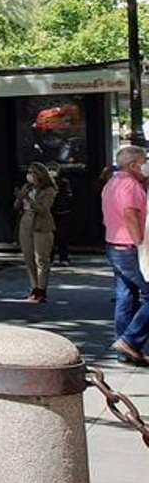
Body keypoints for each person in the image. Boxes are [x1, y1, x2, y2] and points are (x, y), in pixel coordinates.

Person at [101, 145, 149, 365]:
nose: (146, 164)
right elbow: (130, 213)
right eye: (144, 161)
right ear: (132, 165)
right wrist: (140, 242)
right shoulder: (129, 184)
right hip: (129, 247)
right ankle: (129, 340)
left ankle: (125, 348)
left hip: (114, 244)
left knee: (126, 296)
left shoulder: (113, 182)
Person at [16, 163, 57, 303]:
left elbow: (43, 209)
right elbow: (16, 206)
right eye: (29, 171)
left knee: (41, 258)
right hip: (26, 221)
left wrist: (28, 198)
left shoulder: (49, 190)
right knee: (28, 258)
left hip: (41, 224)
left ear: (40, 174)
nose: (29, 175)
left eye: (32, 172)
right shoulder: (27, 188)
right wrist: (20, 198)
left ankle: (41, 289)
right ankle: (34, 288)